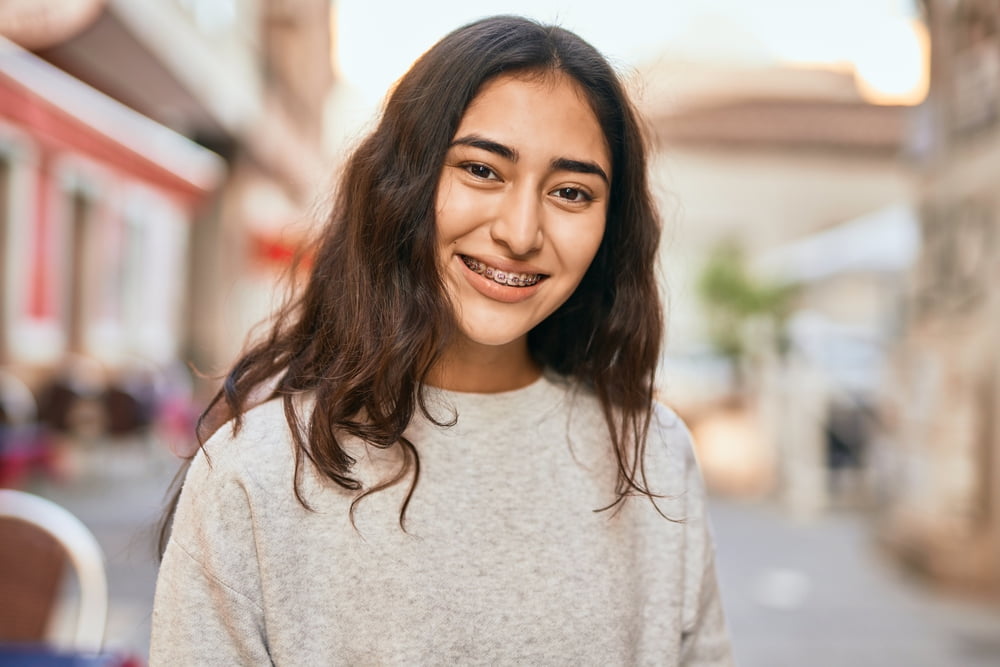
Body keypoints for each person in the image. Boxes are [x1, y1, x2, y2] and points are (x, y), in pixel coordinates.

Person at [151, 14, 733, 666]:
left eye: (571, 191)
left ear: (610, 227)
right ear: (403, 183)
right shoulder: (254, 473)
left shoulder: (654, 455)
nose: (519, 231)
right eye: (483, 170)